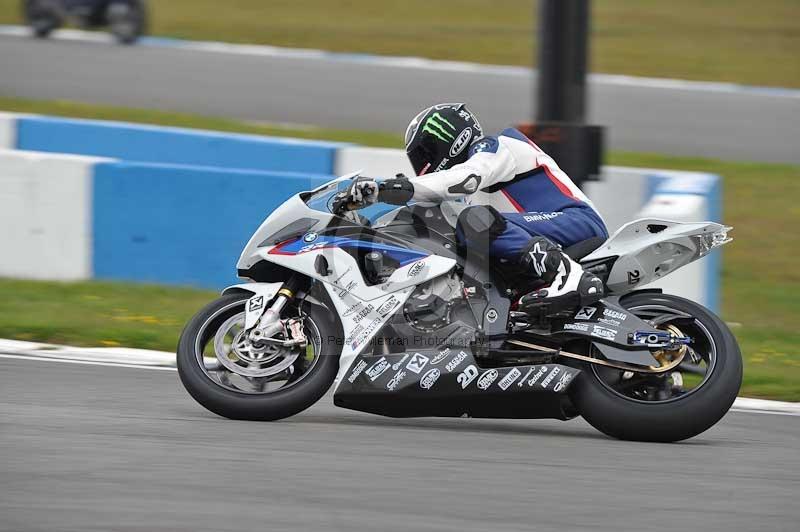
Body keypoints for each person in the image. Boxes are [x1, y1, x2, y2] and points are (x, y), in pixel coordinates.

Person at [349, 103, 608, 315]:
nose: (423, 166)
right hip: (539, 232)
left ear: (449, 138)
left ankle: (569, 275)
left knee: (474, 220)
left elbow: (465, 177)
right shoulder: (467, 195)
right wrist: (360, 226)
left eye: (425, 154)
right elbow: (426, 210)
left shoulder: (496, 147)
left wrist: (392, 187)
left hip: (577, 221)